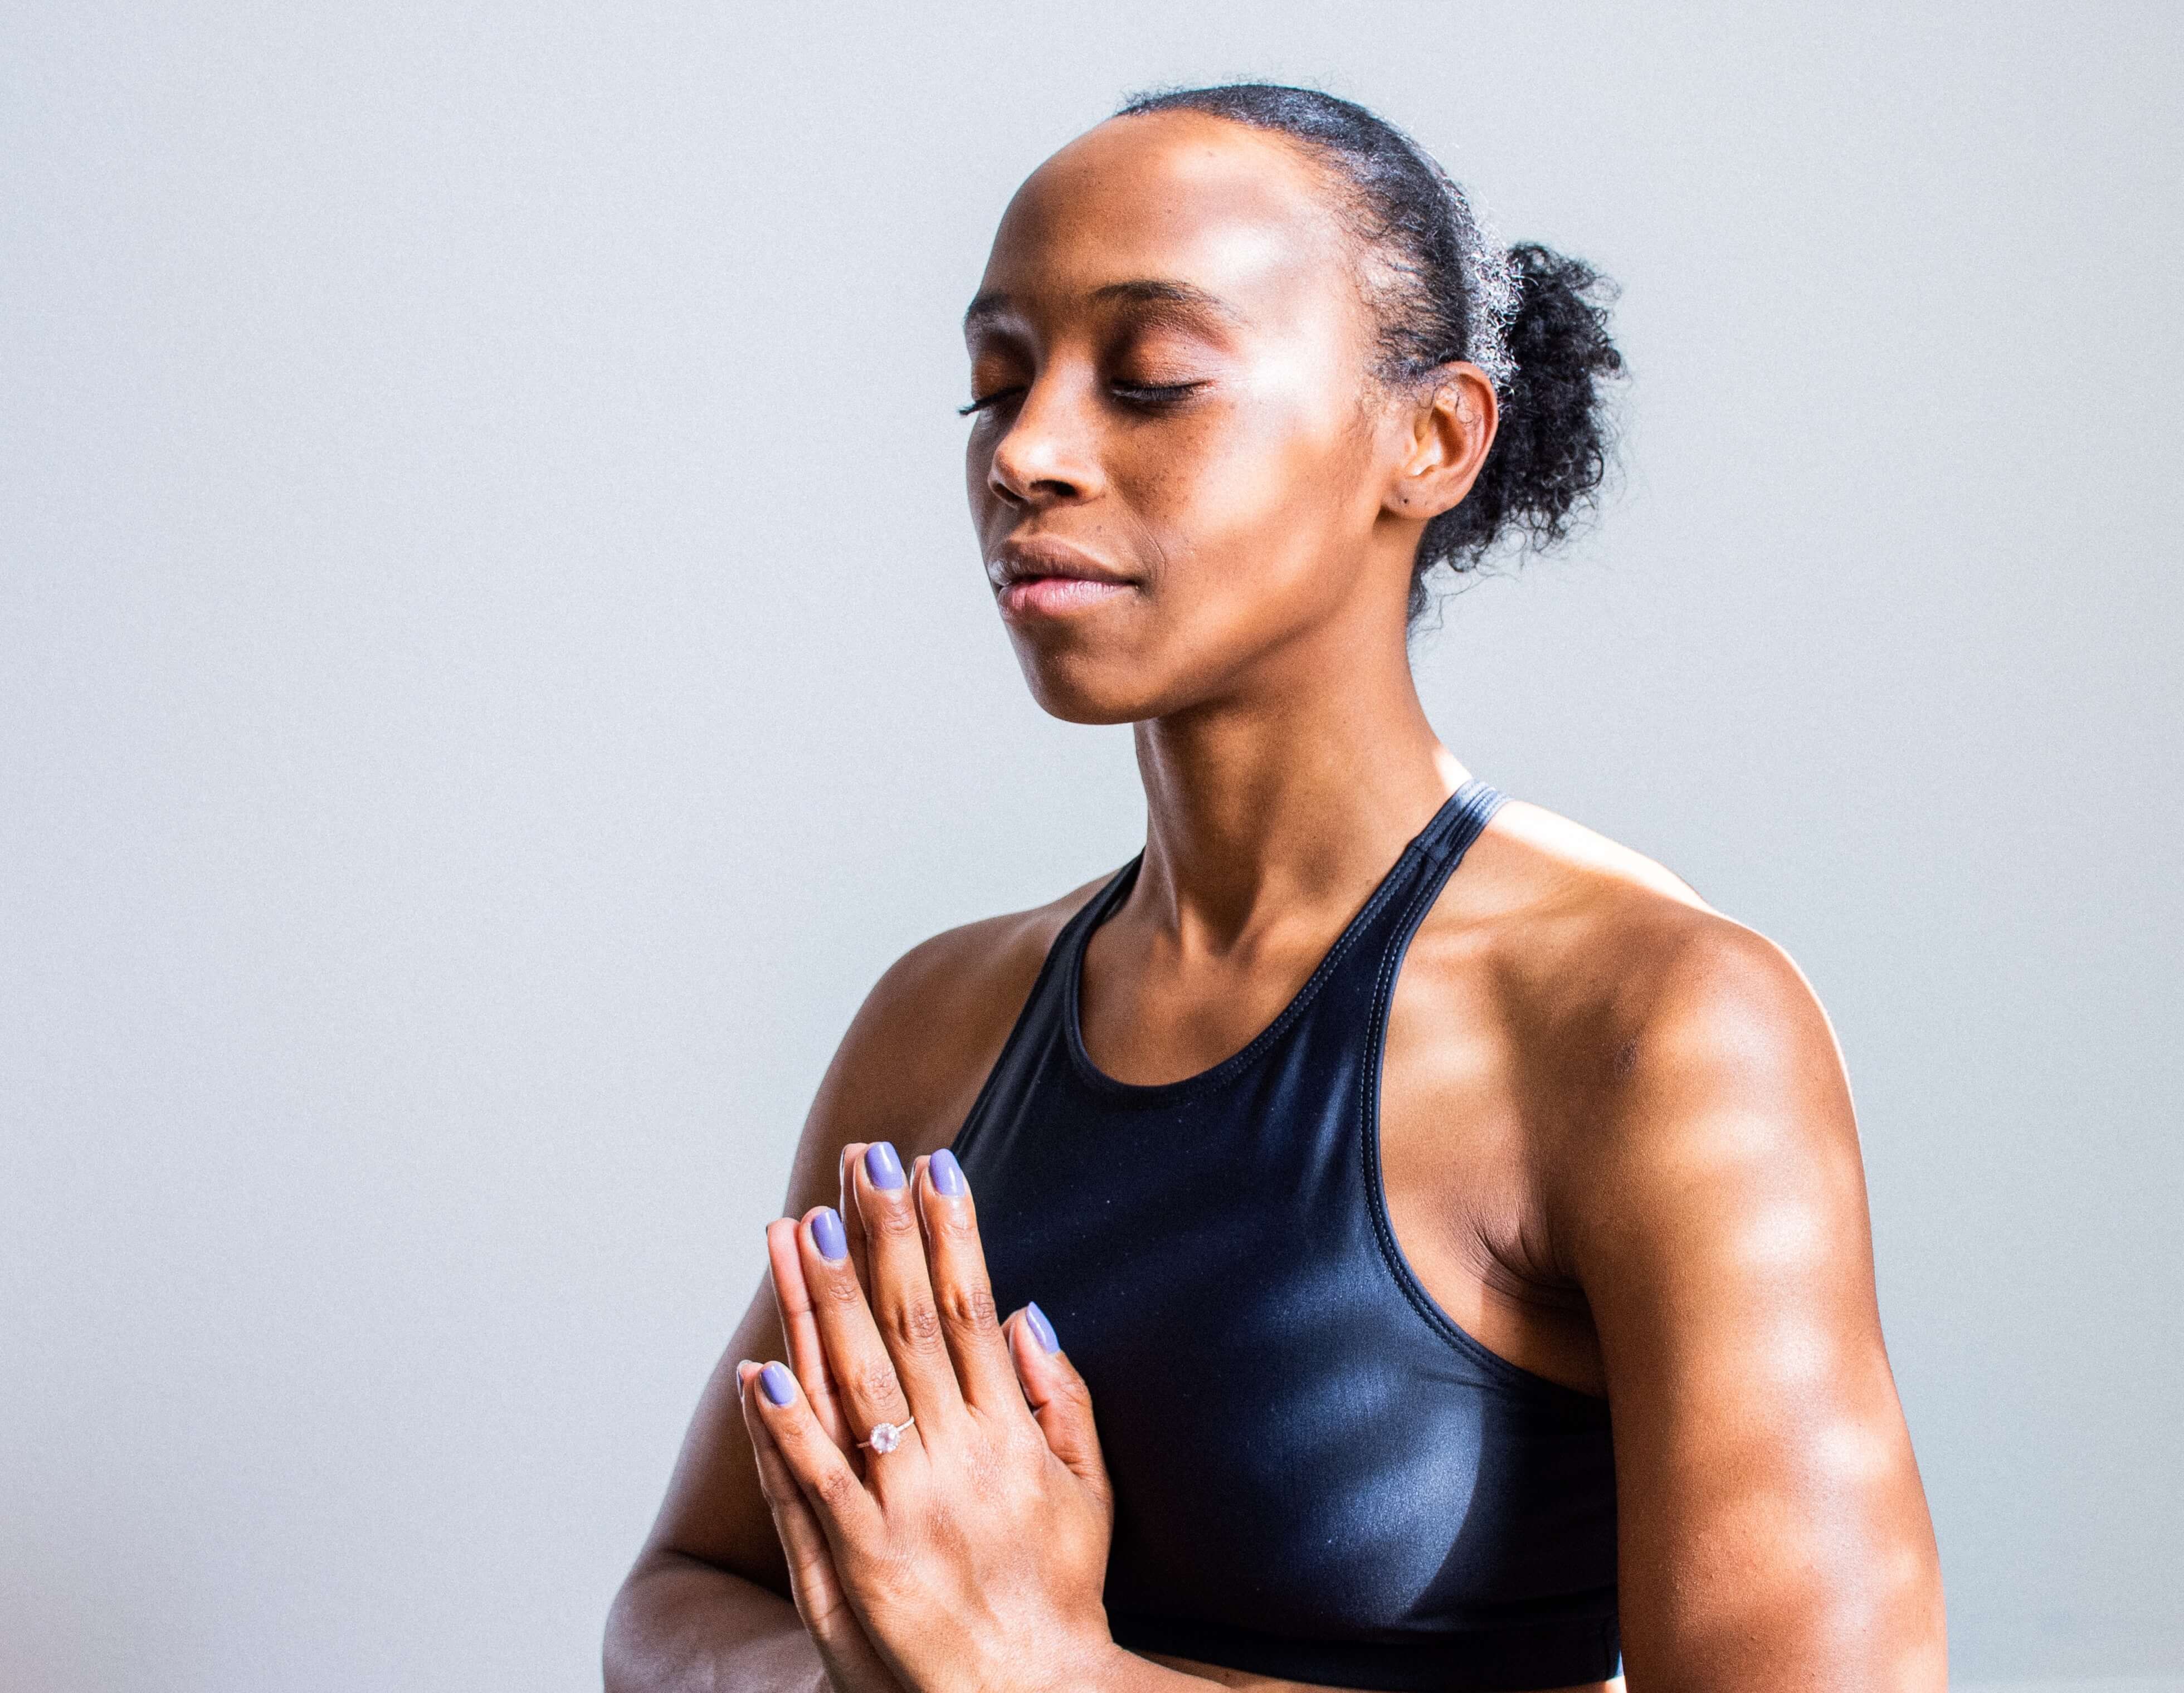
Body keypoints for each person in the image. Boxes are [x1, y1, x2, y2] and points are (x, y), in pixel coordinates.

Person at [604, 82, 1946, 1693]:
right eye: (997, 382)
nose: (1030, 452)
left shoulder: (1657, 1026)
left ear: (1431, 440)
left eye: (1154, 379)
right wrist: (860, 1672)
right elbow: (681, 1596)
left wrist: (1050, 1678)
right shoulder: (938, 1023)